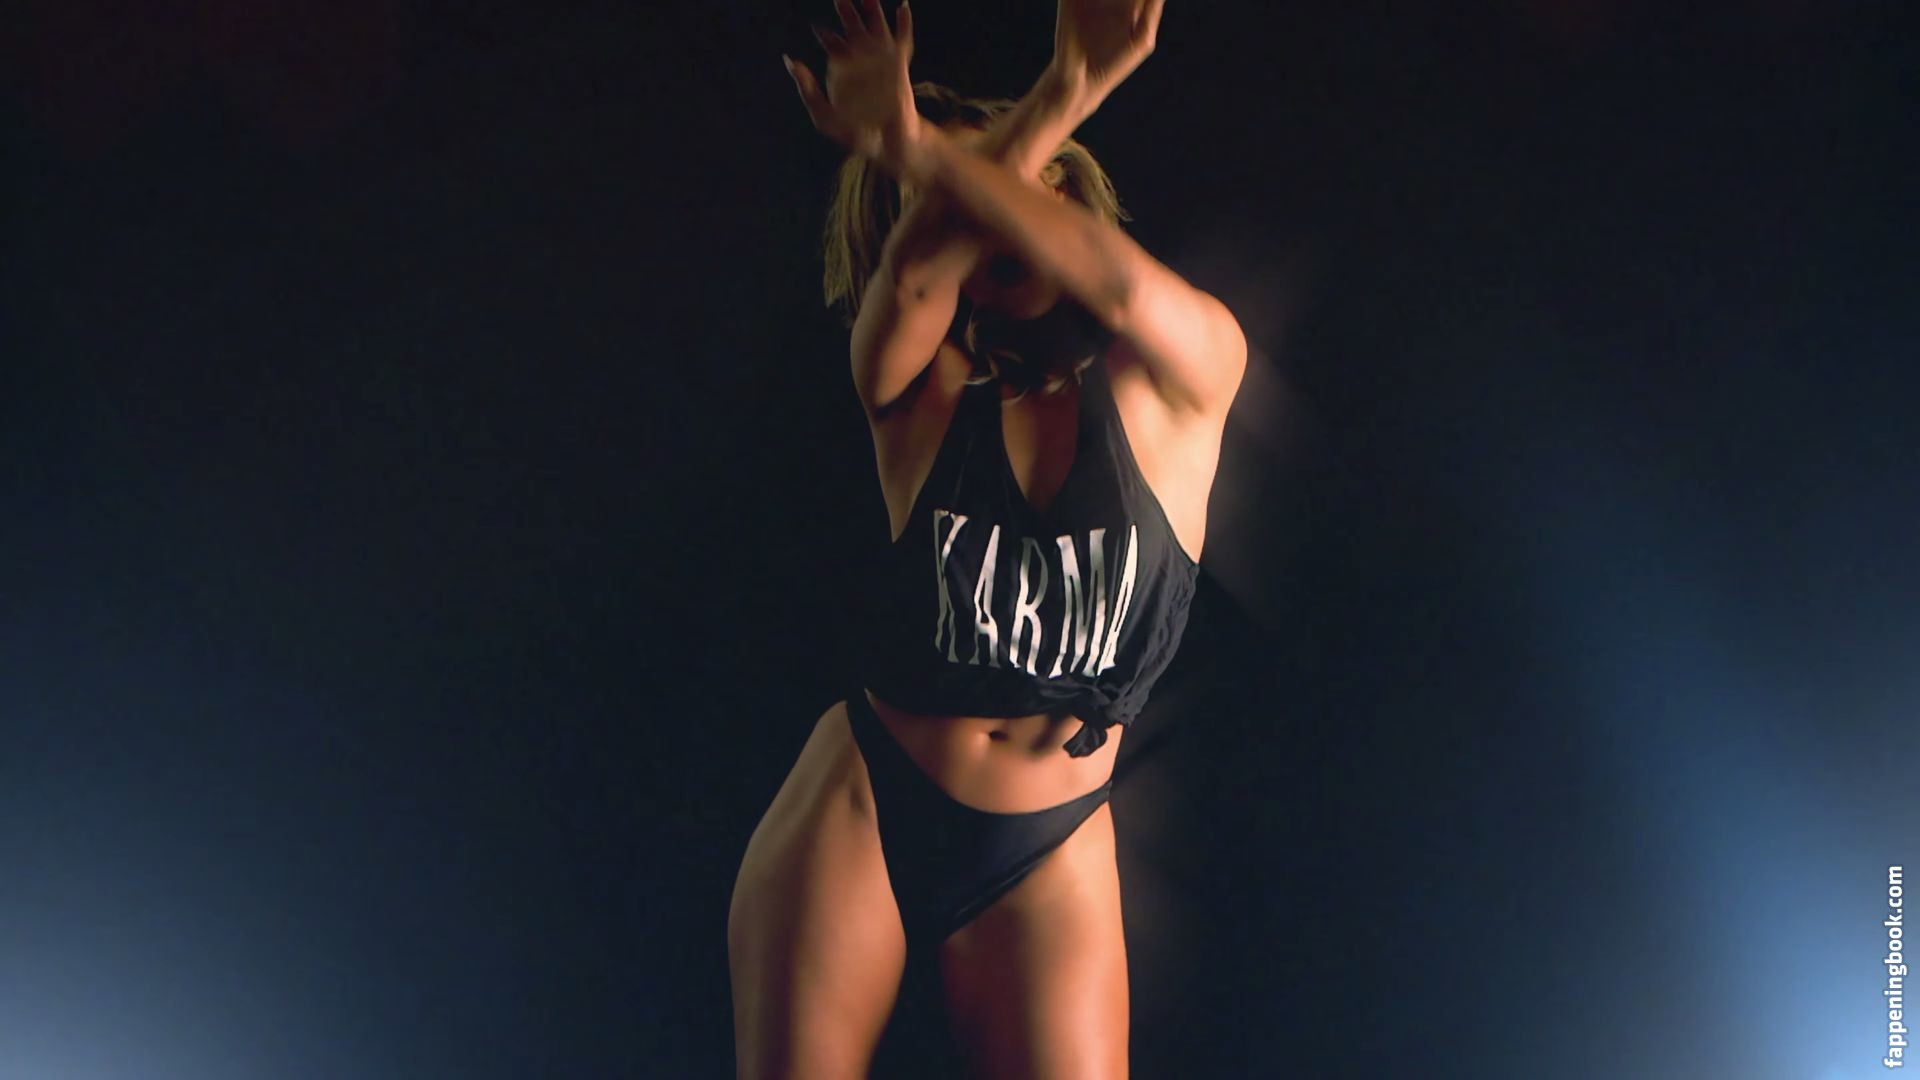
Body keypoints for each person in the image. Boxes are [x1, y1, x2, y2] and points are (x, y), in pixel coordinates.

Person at [730, 0, 1246, 1075]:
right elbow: (915, 278)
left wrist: (929, 139)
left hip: (1050, 843)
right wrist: (1046, 100)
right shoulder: (912, 394)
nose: (992, 218)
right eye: (953, 206)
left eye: (1013, 187)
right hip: (867, 798)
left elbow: (1112, 278)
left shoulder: (1189, 371)